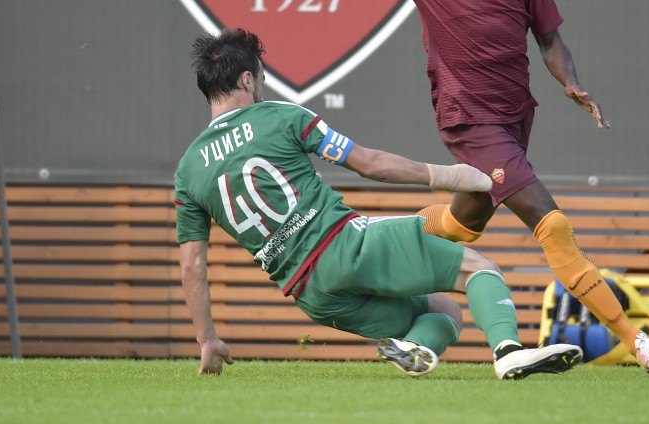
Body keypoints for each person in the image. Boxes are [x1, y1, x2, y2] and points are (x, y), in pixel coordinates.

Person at [207, 0, 649, 372]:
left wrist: (569, 80)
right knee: (552, 226)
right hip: (470, 121)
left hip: (513, 121)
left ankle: (389, 247)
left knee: (465, 224)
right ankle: (640, 343)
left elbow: (549, 38)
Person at [175, 28, 583, 379]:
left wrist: (207, 338)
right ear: (247, 80)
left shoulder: (188, 170)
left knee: (445, 312)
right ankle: (509, 353)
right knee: (480, 268)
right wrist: (450, 176)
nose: (263, 86)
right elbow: (368, 164)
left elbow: (193, 265)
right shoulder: (278, 116)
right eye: (261, 78)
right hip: (346, 246)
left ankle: (416, 349)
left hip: (312, 294)